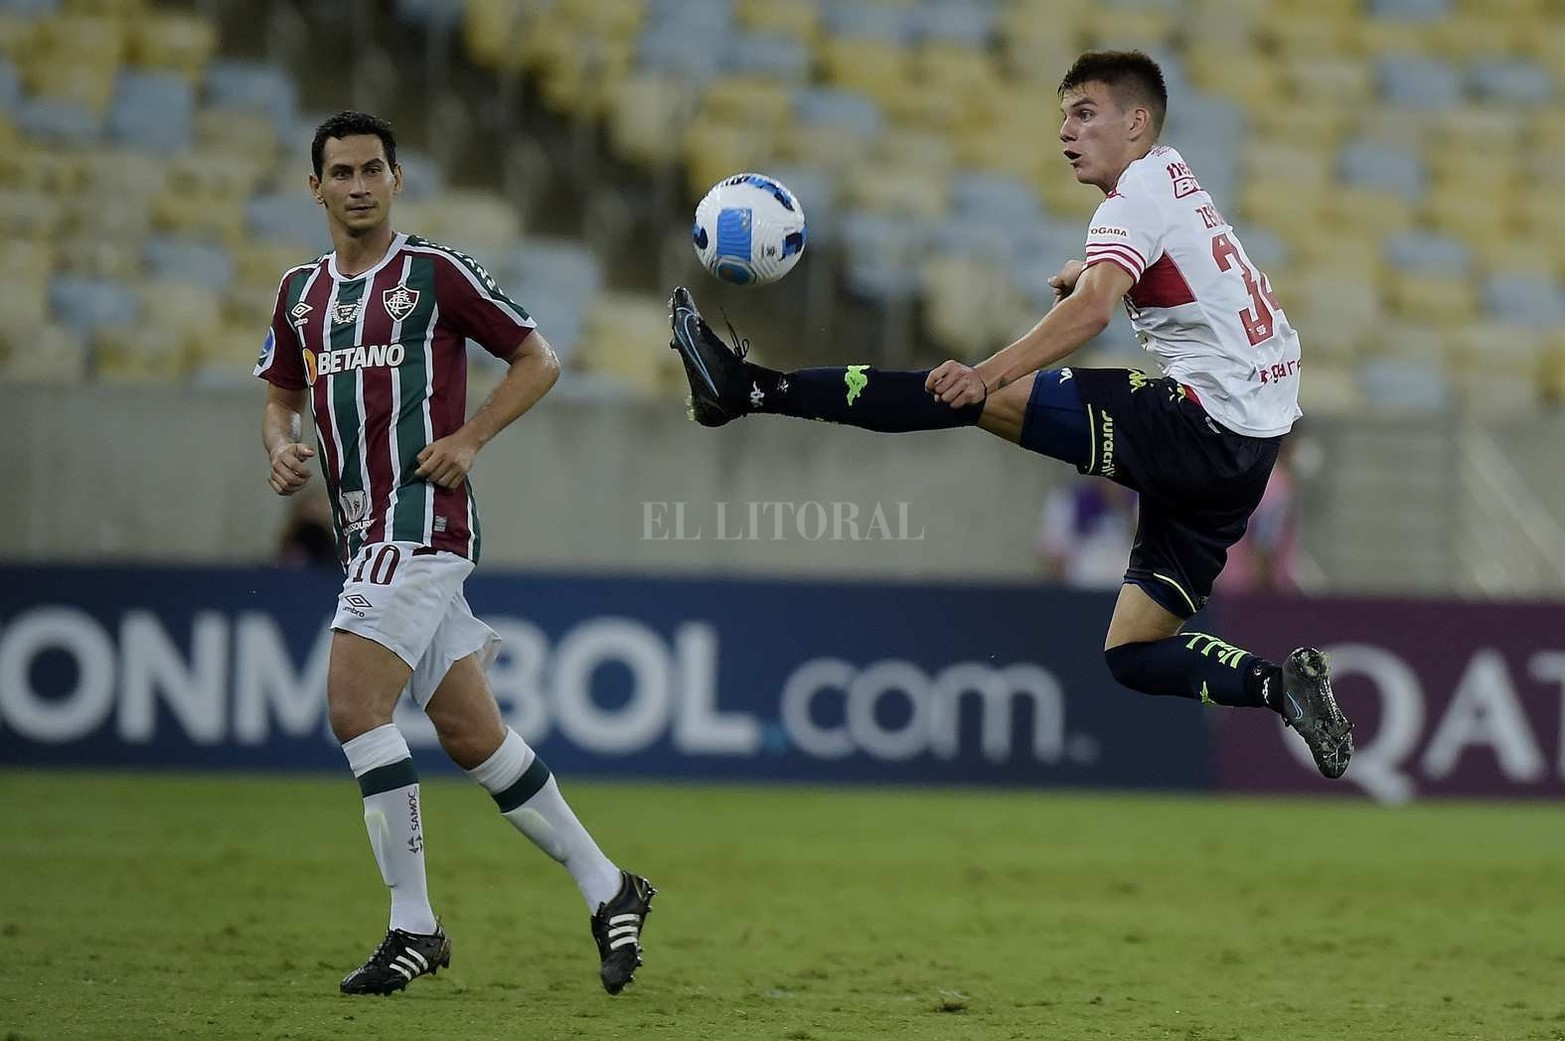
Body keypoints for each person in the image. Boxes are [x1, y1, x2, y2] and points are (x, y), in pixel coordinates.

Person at [666, 52, 1353, 779]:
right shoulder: (1170, 175)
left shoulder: (1132, 200)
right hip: (1249, 452)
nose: (1066, 132)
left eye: (1084, 114)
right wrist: (1092, 275)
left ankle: (750, 390)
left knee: (973, 396)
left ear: (1136, 121)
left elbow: (1091, 312)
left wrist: (988, 371)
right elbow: (1179, 277)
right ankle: (1279, 685)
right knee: (1132, 651)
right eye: (1063, 117)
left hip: (1200, 424)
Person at [255, 111, 654, 997]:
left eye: (372, 169)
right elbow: (281, 393)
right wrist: (280, 444)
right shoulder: (299, 293)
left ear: (397, 179)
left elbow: (537, 358)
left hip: (421, 522)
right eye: (341, 173)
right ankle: (609, 886)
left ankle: (413, 925)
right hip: (362, 532)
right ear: (315, 188)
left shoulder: (434, 274)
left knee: (353, 706)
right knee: (474, 734)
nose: (358, 186)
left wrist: (470, 438)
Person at [1036, 480, 1137, 590]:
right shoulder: (1069, 499)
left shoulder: (1141, 500)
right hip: (1082, 587)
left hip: (1132, 588)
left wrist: (1122, 506)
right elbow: (1052, 556)